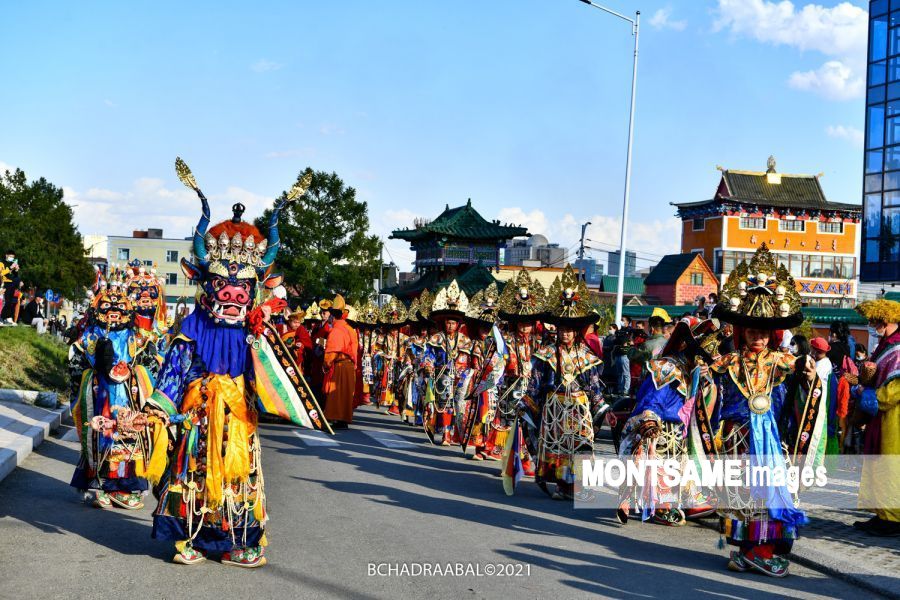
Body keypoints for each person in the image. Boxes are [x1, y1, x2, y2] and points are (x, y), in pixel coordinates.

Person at [140, 159, 309, 568]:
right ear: (205, 284)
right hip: (198, 416)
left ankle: (238, 542)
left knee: (239, 477)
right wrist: (158, 411)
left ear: (255, 289)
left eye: (242, 287)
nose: (232, 294)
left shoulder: (255, 331)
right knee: (193, 473)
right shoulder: (192, 328)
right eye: (222, 285)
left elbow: (269, 380)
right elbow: (174, 371)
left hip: (238, 419)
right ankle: (192, 538)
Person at [710, 244, 822, 577]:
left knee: (771, 494)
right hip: (737, 439)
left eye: (763, 332)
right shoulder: (726, 362)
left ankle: (756, 551)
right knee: (744, 496)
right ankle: (751, 551)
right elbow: (708, 396)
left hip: (770, 440)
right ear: (742, 332)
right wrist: (702, 380)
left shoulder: (783, 361)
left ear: (771, 334)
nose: (757, 337)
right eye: (752, 331)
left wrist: (810, 377)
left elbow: (806, 385)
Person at [617, 319, 722, 525]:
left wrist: (705, 382)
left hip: (679, 429)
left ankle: (682, 500)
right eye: (701, 356)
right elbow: (652, 397)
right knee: (661, 465)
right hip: (661, 425)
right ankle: (660, 505)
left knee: (678, 465)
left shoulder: (691, 371)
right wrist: (649, 419)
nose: (703, 362)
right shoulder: (667, 367)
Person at [529, 265, 608, 500]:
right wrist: (528, 401)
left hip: (579, 407)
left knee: (581, 445)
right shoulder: (546, 354)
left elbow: (593, 385)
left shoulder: (586, 356)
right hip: (555, 407)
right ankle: (562, 486)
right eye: (562, 329)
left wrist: (601, 406)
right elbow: (536, 381)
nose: (565, 333)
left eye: (569, 330)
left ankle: (579, 487)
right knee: (559, 446)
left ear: (576, 332)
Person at [70, 285, 151, 510]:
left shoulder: (137, 337)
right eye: (107, 306)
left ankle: (126, 488)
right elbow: (77, 367)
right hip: (100, 395)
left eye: (119, 307)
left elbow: (148, 363)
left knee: (129, 437)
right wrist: (93, 373)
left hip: (128, 396)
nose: (113, 311)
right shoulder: (89, 336)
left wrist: (135, 373)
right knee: (99, 437)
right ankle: (101, 486)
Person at [492, 270, 545, 477]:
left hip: (532, 390)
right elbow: (497, 362)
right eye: (521, 323)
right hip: (511, 386)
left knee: (531, 425)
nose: (525, 327)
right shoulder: (506, 340)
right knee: (510, 424)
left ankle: (528, 459)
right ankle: (509, 462)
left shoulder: (540, 343)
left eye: (528, 323)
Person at [855, 298, 900, 537]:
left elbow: (895, 390)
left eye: (875, 321)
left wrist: (869, 395)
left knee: (890, 467)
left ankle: (893, 519)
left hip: (894, 418)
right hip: (881, 417)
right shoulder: (885, 344)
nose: (872, 325)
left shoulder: (898, 348)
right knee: (878, 464)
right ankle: (882, 514)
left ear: (887, 321)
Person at [422, 280, 473, 446]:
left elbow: (469, 360)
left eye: (453, 323)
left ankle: (457, 433)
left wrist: (466, 373)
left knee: (459, 405)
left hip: (460, 376)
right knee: (444, 404)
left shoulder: (465, 340)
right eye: (448, 322)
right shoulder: (437, 338)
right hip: (442, 375)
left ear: (458, 324)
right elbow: (428, 355)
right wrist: (428, 365)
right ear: (444, 323)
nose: (450, 325)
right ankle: (445, 434)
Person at [461, 284, 505, 460]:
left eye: (488, 328)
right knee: (478, 416)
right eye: (482, 328)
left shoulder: (500, 346)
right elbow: (464, 365)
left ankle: (491, 447)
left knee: (494, 416)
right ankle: (479, 448)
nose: (485, 332)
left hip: (494, 384)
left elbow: (502, 365)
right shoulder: (471, 344)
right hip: (477, 385)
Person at [323, 294, 359, 428]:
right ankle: (343, 419)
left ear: (333, 316)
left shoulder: (336, 330)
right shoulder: (349, 329)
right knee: (345, 394)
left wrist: (326, 364)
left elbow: (332, 352)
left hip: (340, 365)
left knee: (337, 393)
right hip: (349, 365)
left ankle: (337, 417)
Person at [1, 250, 20, 324]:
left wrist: (16, 270)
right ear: (6, 255)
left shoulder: (12, 263)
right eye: (10, 256)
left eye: (13, 257)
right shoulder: (2, 263)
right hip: (5, 283)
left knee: (10, 302)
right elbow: (1, 273)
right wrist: (10, 268)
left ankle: (7, 317)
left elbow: (15, 275)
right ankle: (2, 317)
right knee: (6, 301)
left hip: (12, 284)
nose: (11, 258)